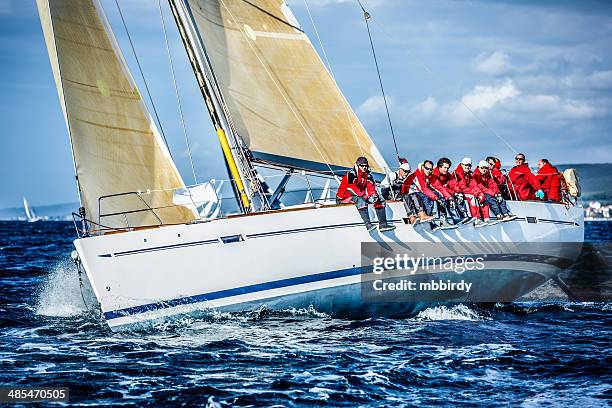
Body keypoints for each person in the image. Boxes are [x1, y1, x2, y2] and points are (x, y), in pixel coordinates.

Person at [336, 156, 396, 232]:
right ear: (357, 165)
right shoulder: (351, 175)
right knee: (360, 199)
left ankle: (383, 225)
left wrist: (374, 196)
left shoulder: (368, 176)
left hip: (358, 196)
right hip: (343, 198)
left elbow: (371, 188)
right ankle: (368, 225)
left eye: (366, 166)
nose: (364, 167)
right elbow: (351, 188)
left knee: (380, 199)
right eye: (362, 165)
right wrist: (365, 196)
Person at [412, 160, 456, 231]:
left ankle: (443, 220)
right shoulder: (418, 174)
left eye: (431, 169)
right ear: (423, 167)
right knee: (427, 198)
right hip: (413, 193)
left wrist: (449, 197)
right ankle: (430, 222)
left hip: (423, 192)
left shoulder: (430, 175)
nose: (429, 170)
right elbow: (424, 188)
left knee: (440, 195)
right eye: (427, 168)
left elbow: (439, 187)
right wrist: (436, 198)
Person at [431, 157, 470, 225]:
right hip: (435, 193)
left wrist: (459, 193)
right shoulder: (434, 174)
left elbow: (454, 184)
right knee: (445, 198)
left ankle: (463, 216)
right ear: (439, 167)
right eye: (445, 167)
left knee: (459, 196)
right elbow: (439, 187)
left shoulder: (447, 174)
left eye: (448, 168)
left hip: (445, 192)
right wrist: (452, 194)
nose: (446, 170)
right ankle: (445, 220)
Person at [452, 157, 489, 227]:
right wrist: (475, 193)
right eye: (466, 165)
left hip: (465, 192)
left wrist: (480, 193)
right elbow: (462, 188)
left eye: (469, 165)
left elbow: (474, 185)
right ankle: (476, 219)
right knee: (472, 198)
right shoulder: (458, 173)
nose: (467, 167)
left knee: (483, 197)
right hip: (459, 193)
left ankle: (486, 218)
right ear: (462, 165)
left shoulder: (468, 174)